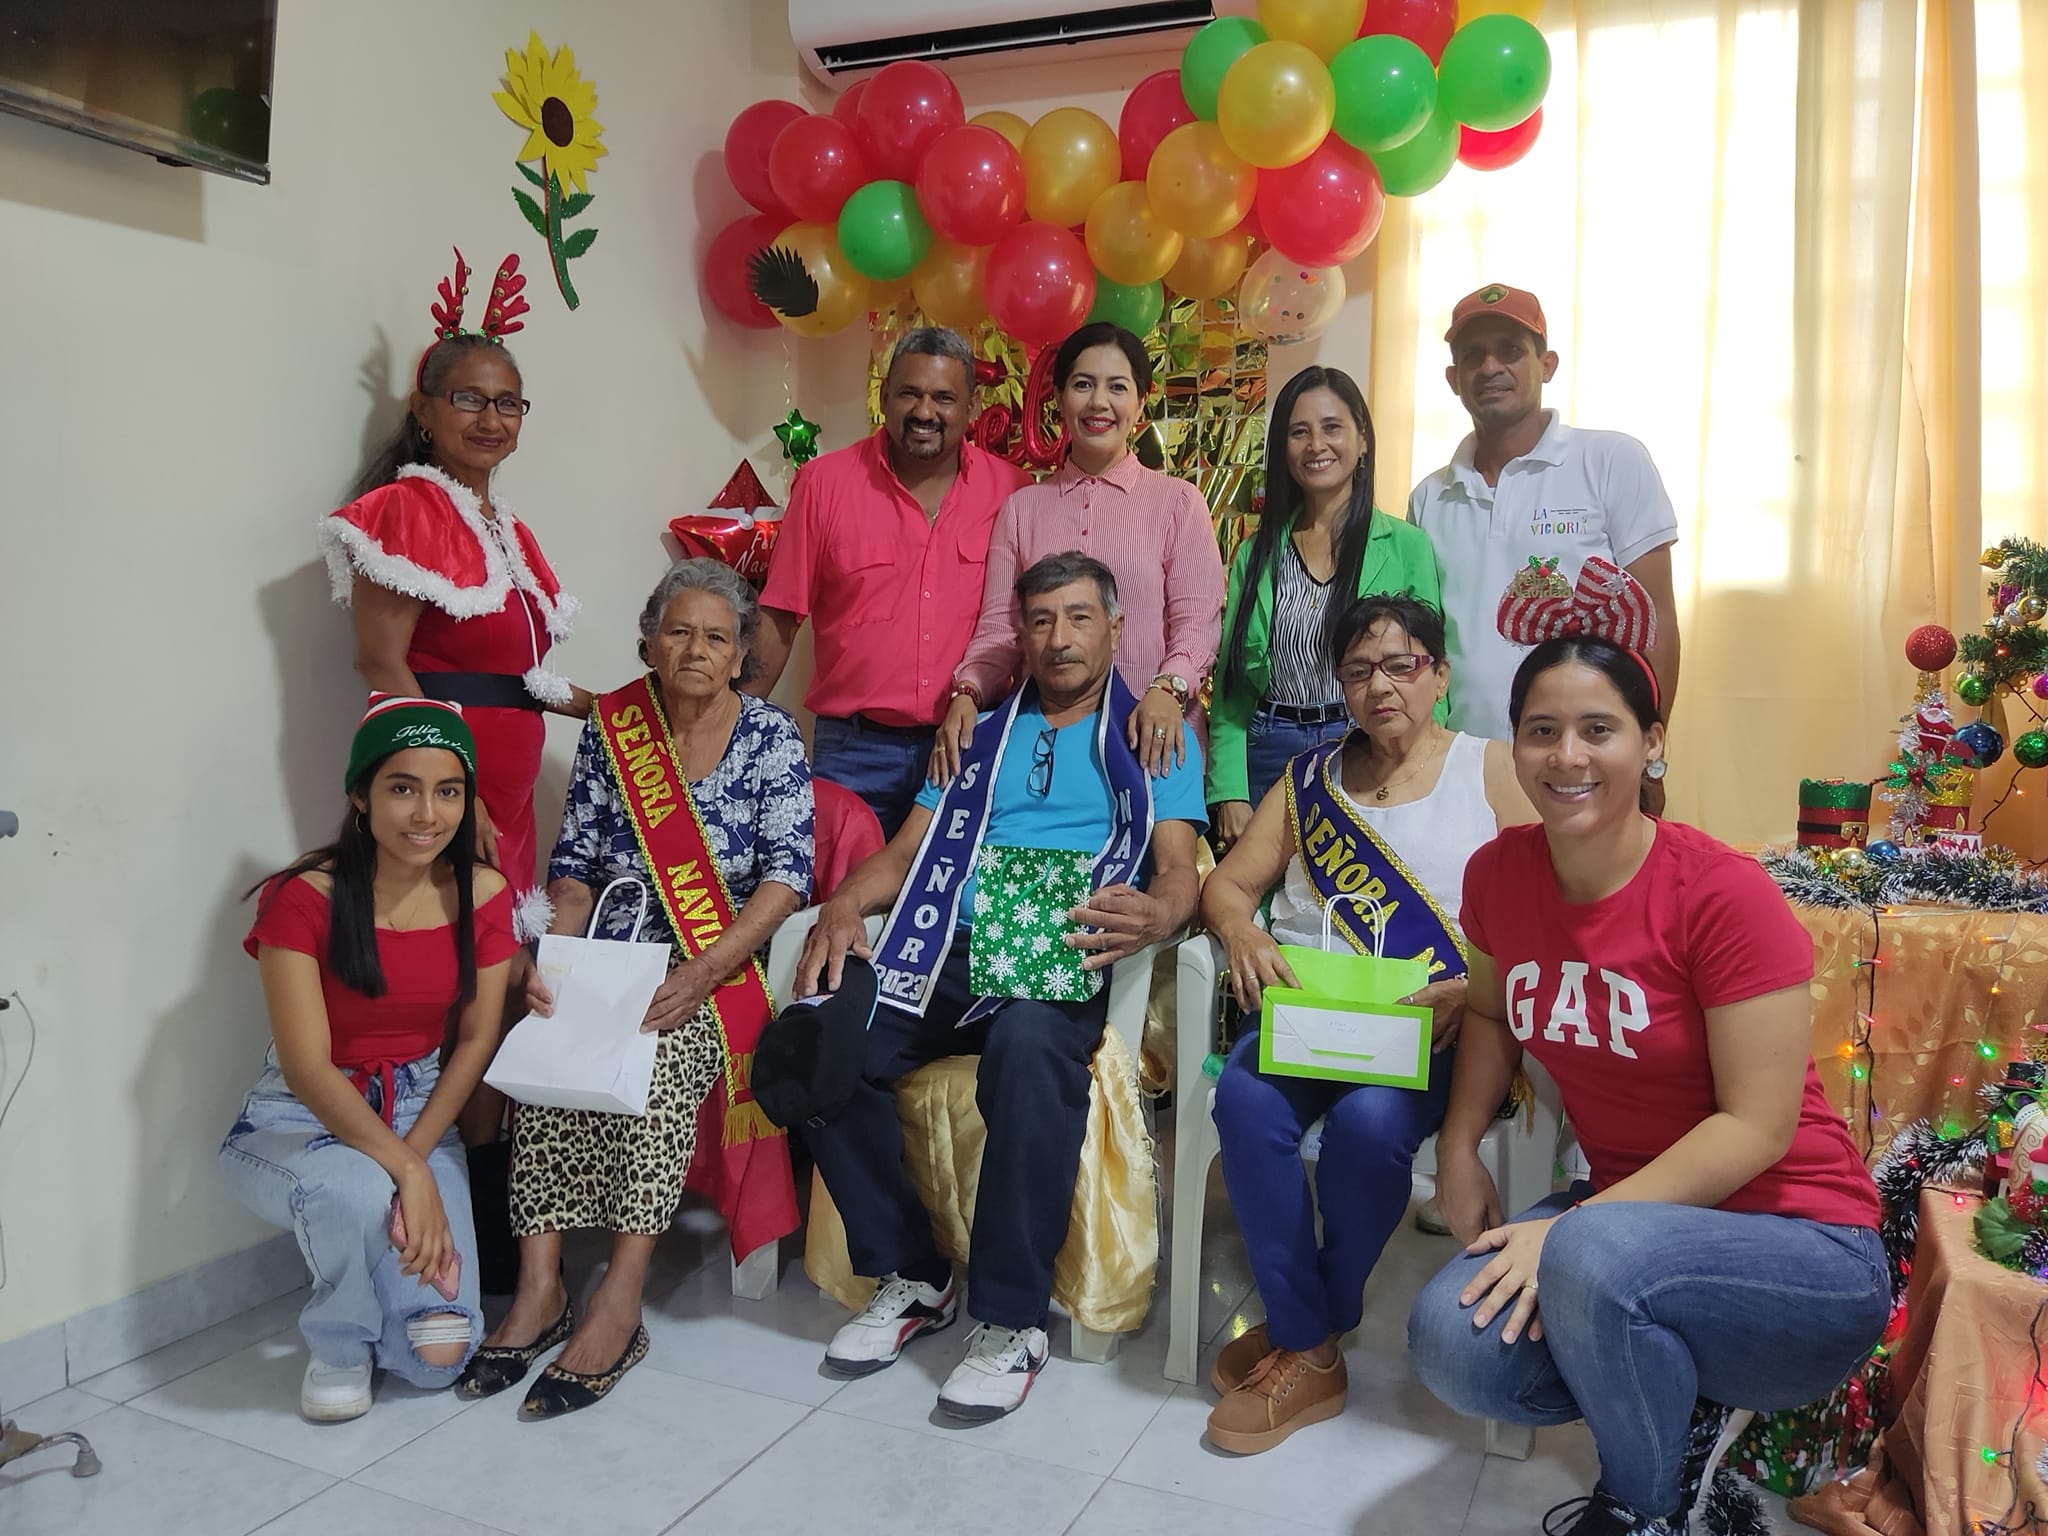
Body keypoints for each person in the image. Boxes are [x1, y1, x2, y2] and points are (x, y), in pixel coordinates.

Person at [1405, 563, 1888, 1536]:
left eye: (1598, 729)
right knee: (1450, 1341)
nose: (1566, 756)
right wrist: (1458, 1148)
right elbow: (1491, 1013)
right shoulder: (1497, 875)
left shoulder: (1720, 892)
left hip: (1803, 1245)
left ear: (1650, 742)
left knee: (1589, 1256)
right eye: (1541, 730)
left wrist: (1571, 1233)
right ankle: (1676, 1403)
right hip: (1625, 1229)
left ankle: (1643, 1507)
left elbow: (1756, 1127)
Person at [794, 551, 1205, 1423]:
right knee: (819, 1046)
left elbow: (1178, 869)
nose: (1060, 638)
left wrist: (1159, 913)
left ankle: (1013, 1321)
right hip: (946, 942)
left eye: (1080, 617)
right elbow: (906, 852)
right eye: (1042, 620)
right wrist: (844, 903)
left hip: (1061, 951)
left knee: (1025, 1048)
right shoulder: (975, 734)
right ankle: (915, 1274)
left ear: (1115, 627)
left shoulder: (1154, 736)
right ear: (1018, 633)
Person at [457, 560, 814, 1418]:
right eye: (678, 631)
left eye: (717, 638)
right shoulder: (617, 729)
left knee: (655, 1072)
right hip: (613, 954)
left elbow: (786, 878)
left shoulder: (770, 737)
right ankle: (540, 1289)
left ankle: (619, 1300)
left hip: (715, 965)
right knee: (544, 1055)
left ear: (741, 656)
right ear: (649, 644)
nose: (696, 650)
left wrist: (705, 969)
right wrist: (558, 961)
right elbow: (574, 866)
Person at [1199, 595, 1531, 1454]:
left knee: (1370, 1127)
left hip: (1432, 1029)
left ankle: (1307, 1329)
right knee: (1244, 1102)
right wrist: (1240, 931)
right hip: (1310, 1017)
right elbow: (1229, 884)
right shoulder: (1307, 779)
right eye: (1357, 671)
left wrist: (1471, 987)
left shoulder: (1491, 769)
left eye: (1401, 665)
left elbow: (1545, 909)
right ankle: (1309, 1342)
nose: (1379, 686)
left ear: (1439, 675)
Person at [221, 696, 515, 1423]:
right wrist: (410, 1174)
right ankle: (340, 1342)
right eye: (402, 788)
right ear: (361, 795)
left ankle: (377, 1283)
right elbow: (306, 1067)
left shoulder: (483, 892)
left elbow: (475, 1039)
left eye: (448, 791)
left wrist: (417, 1156)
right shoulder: (302, 897)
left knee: (437, 1357)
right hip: (299, 1116)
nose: (427, 815)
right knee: (354, 1192)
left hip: (417, 1104)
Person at [319, 249, 590, 938]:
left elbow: (520, 679)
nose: (490, 418)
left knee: (500, 955)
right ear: (424, 410)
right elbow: (380, 662)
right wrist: (453, 791)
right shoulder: (404, 511)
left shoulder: (510, 531)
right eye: (468, 398)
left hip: (509, 791)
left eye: (507, 403)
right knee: (445, 953)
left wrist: (630, 712)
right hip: (441, 787)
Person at [1407, 284, 1680, 814]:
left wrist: (1650, 755)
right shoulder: (1429, 498)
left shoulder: (1610, 461)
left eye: (1510, 350)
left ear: (1547, 365)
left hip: (1585, 764)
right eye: (1473, 355)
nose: (1491, 367)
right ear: (1453, 379)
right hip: (1465, 774)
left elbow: (1656, 620)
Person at [751, 328, 1031, 838]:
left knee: (958, 888)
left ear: (972, 406)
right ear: (883, 397)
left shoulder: (1013, 491)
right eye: (909, 393)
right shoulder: (825, 484)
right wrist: (733, 729)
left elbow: (1028, 625)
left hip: (972, 742)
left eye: (944, 397)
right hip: (854, 753)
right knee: (840, 886)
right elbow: (781, 615)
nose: (925, 411)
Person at [934, 322, 1225, 786]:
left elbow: (1197, 624)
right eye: (1083, 385)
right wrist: (966, 692)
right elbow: (1001, 630)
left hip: (1151, 742)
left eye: (1117, 387)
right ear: (1059, 398)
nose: (1098, 403)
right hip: (1043, 749)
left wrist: (1167, 690)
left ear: (1141, 403)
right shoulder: (1023, 508)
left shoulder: (1178, 503)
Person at [1209, 367, 1444, 851]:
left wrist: (1425, 765)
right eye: (1299, 432)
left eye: (1332, 427)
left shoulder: (1407, 546)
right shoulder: (1256, 554)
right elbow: (1231, 688)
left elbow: (1430, 673)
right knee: (1265, 891)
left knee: (1366, 886)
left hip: (1370, 743)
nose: (1316, 444)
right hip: (1269, 749)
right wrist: (1229, 789)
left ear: (1362, 439)